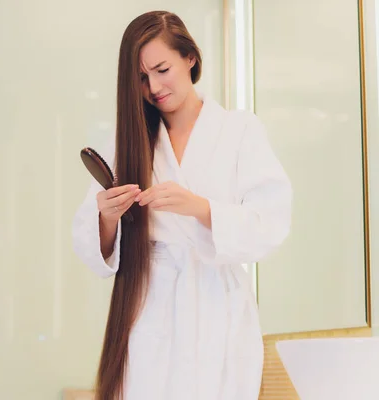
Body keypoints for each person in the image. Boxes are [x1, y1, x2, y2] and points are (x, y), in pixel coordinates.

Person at [71, 10, 292, 400]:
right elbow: (93, 246)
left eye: (161, 69)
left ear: (190, 57)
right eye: (141, 78)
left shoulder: (239, 130)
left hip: (216, 305)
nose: (154, 86)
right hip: (149, 306)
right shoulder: (128, 139)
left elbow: (270, 223)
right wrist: (107, 215)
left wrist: (200, 208)